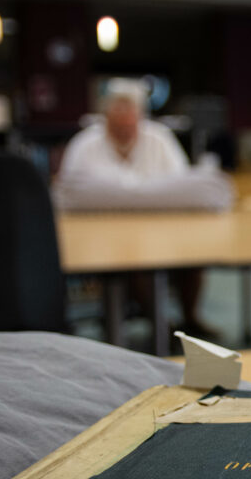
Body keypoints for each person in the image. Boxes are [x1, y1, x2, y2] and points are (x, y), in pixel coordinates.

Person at [56, 78, 231, 344]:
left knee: (194, 258)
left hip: (165, 232)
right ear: (106, 115)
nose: (126, 121)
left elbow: (182, 185)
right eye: (118, 114)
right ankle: (161, 327)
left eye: (131, 115)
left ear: (141, 116)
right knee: (138, 262)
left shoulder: (159, 138)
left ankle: (190, 319)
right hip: (104, 239)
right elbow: (68, 193)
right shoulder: (85, 144)